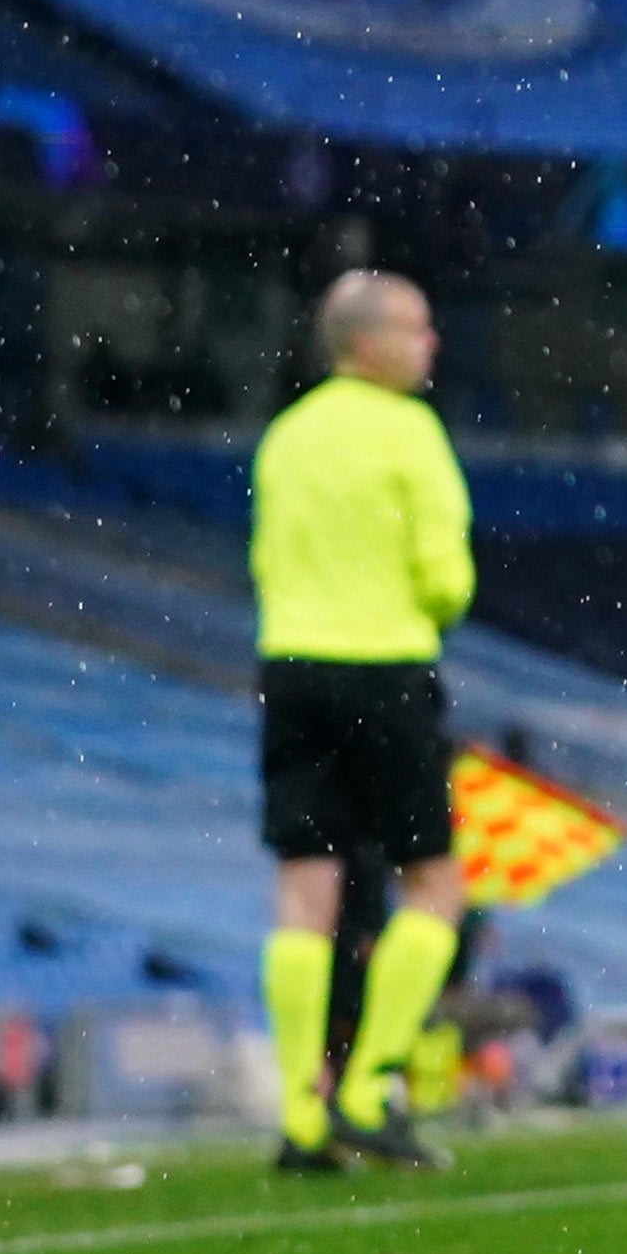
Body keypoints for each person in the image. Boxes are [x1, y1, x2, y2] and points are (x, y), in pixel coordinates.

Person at [251, 270, 474, 1175]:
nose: (432, 345)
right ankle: (367, 1086)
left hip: (290, 666)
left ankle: (301, 1114)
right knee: (434, 883)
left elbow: (266, 559)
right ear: (369, 342)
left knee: (307, 889)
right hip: (384, 667)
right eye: (418, 329)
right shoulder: (410, 432)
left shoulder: (287, 436)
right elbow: (446, 580)